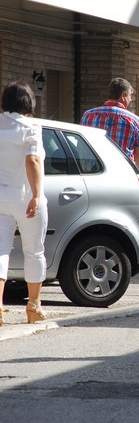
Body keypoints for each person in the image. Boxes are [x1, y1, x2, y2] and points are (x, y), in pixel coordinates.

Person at [0, 82, 48, 326]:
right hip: (26, 197)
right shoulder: (32, 126)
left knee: (0, 251)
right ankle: (33, 306)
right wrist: (37, 195)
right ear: (29, 102)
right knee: (34, 251)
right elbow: (33, 161)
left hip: (0, 197)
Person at [80, 77, 139, 167]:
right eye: (130, 96)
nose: (131, 99)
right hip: (121, 175)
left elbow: (80, 147)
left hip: (92, 174)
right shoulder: (134, 120)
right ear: (123, 95)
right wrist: (132, 172)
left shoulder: (87, 115)